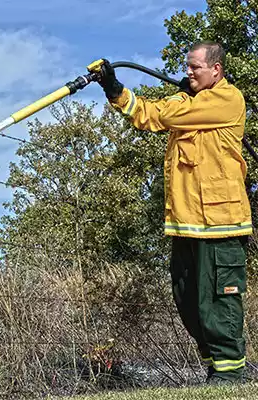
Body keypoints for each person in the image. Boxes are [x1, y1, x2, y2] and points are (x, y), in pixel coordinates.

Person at [95, 41, 252, 384]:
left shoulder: (228, 99)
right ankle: (216, 368)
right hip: (185, 223)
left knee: (219, 301)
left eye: (195, 67)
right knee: (188, 301)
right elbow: (147, 116)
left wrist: (180, 98)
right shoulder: (188, 101)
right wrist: (115, 90)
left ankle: (231, 373)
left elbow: (164, 115)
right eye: (187, 67)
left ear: (216, 70)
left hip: (221, 223)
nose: (188, 73)